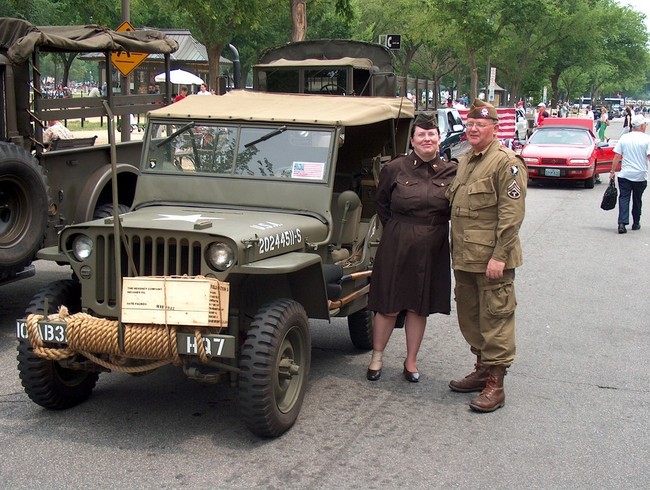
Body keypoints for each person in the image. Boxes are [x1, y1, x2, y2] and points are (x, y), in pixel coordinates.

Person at [445, 99, 527, 412]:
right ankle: (481, 369)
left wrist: (499, 257)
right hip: (465, 257)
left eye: (480, 124)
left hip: (492, 260)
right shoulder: (466, 160)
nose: (473, 129)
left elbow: (512, 215)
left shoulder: (507, 163)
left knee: (496, 318)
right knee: (471, 316)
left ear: (494, 128)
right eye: (469, 124)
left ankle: (497, 384)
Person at [366, 113, 457, 383]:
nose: (427, 139)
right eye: (421, 135)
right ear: (413, 140)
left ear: (439, 139)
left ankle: (411, 361)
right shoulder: (395, 168)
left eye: (432, 134)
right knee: (389, 304)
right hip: (398, 240)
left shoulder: (452, 170)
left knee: (420, 306)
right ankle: (377, 356)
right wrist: (399, 229)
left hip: (434, 244)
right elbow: (381, 204)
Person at [609, 114, 650, 234]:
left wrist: (612, 171)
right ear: (642, 126)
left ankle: (622, 223)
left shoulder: (624, 138)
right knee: (637, 199)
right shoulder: (647, 139)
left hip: (625, 174)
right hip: (640, 175)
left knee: (624, 198)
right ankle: (636, 222)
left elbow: (617, 155)